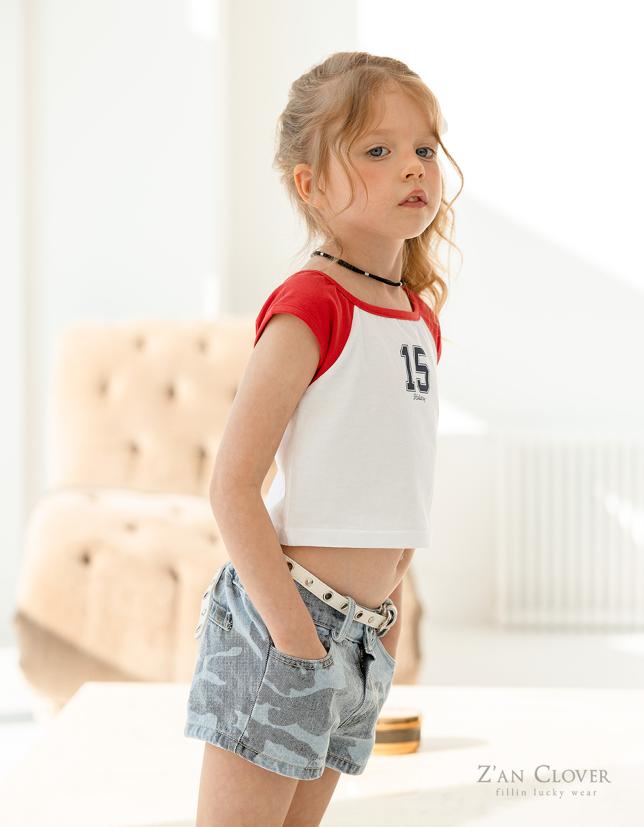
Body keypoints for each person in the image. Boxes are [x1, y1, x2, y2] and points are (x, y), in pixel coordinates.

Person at [184, 50, 462, 826]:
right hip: (290, 624)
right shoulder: (313, 303)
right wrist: (295, 638)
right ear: (310, 185)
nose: (412, 166)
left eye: (424, 147)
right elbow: (231, 486)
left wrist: (388, 619)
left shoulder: (416, 317)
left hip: (363, 636)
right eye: (377, 149)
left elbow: (390, 483)